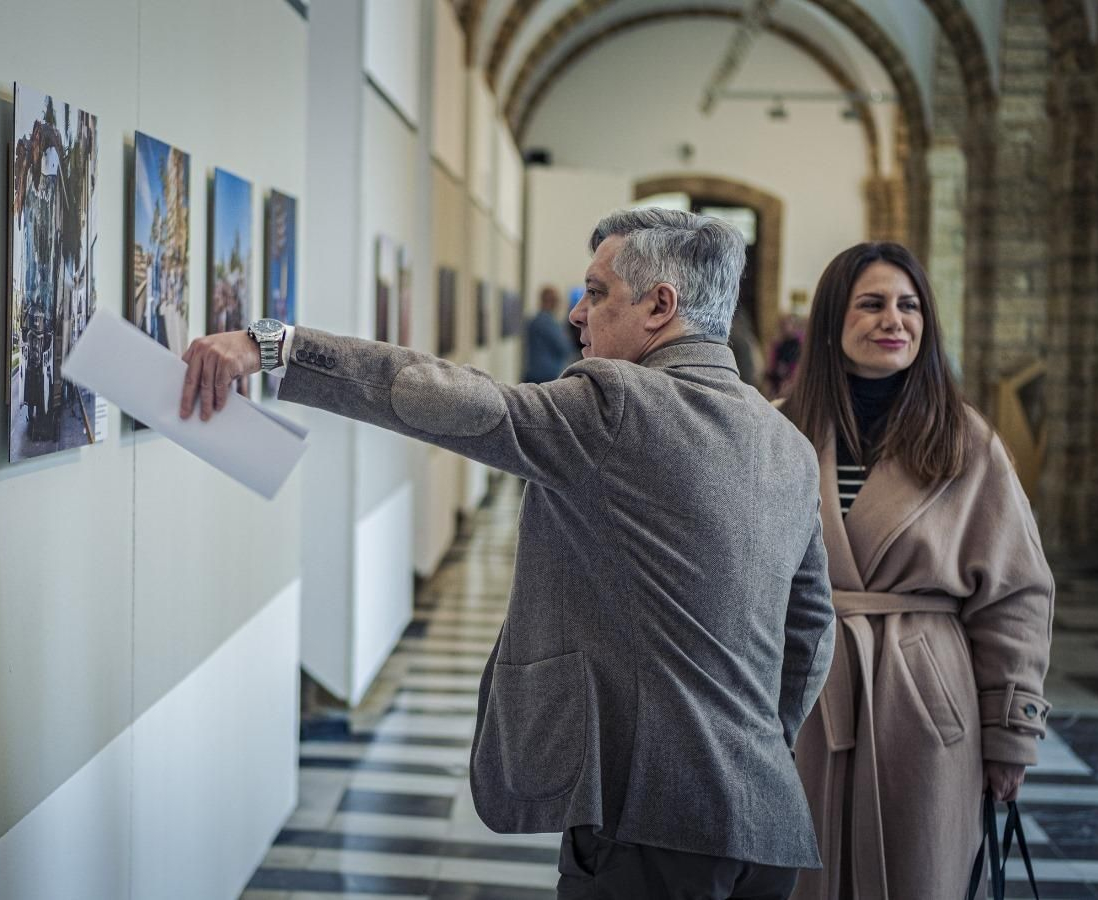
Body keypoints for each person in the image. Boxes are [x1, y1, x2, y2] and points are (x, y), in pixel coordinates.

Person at [180, 208, 836, 899]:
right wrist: (754, 747)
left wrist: (280, 346)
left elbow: (457, 400)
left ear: (659, 306)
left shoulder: (619, 403)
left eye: (597, 293)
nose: (577, 313)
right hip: (769, 824)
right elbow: (812, 629)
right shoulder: (786, 442)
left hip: (652, 821)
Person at [779, 243, 1054, 899]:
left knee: (917, 872)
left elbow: (1014, 595)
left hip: (923, 702)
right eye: (871, 304)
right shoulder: (779, 429)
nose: (893, 320)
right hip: (802, 694)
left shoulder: (965, 439)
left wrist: (1010, 732)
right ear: (832, 322)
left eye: (909, 306)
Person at [523, 285, 576, 382]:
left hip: (535, 374)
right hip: (545, 377)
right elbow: (565, 348)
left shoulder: (534, 320)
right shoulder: (547, 322)